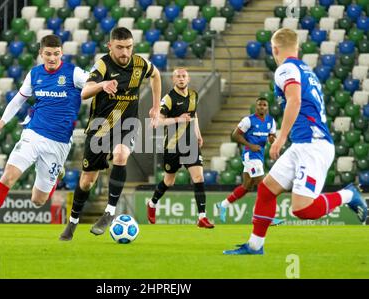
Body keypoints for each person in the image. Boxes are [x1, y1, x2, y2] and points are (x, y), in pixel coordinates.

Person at [223, 28, 368, 255]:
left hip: (313, 145)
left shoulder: (285, 69)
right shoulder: (306, 70)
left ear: (274, 49)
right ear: (297, 47)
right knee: (266, 190)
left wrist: (279, 139)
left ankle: (349, 195)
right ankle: (254, 245)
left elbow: (295, 100)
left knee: (302, 209)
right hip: (303, 144)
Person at [0, 34, 89, 238]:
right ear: (40, 54)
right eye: (48, 54)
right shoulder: (35, 74)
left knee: (38, 200)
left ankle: (55, 175)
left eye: (57, 54)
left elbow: (94, 83)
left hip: (59, 142)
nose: (52, 58)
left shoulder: (74, 73)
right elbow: (18, 100)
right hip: (33, 133)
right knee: (9, 175)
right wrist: (1, 122)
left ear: (62, 53)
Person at [59, 27, 161, 241]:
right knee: (87, 180)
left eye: (129, 47)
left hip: (127, 123)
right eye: (120, 48)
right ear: (110, 46)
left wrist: (155, 107)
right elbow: (85, 92)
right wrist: (102, 84)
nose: (125, 52)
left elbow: (156, 75)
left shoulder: (140, 64)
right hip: (101, 126)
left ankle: (110, 212)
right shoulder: (103, 65)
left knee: (121, 155)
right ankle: (73, 222)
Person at [146, 68, 214, 228]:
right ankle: (152, 203)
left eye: (184, 76)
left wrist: (198, 133)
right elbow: (158, 122)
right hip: (172, 146)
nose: (181, 79)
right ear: (173, 79)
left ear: (188, 79)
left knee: (199, 178)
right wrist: (178, 119)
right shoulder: (168, 99)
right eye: (178, 76)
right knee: (169, 181)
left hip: (190, 144)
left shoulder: (193, 95)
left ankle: (202, 217)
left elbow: (193, 115)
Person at [217, 97, 283, 225]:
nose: (262, 107)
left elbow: (271, 135)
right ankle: (265, 217)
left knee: (247, 186)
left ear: (267, 107)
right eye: (259, 105)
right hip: (250, 155)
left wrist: (272, 140)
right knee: (264, 186)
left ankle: (223, 204)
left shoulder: (271, 121)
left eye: (264, 105)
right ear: (256, 106)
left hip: (259, 156)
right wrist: (250, 145)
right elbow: (235, 135)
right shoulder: (248, 120)